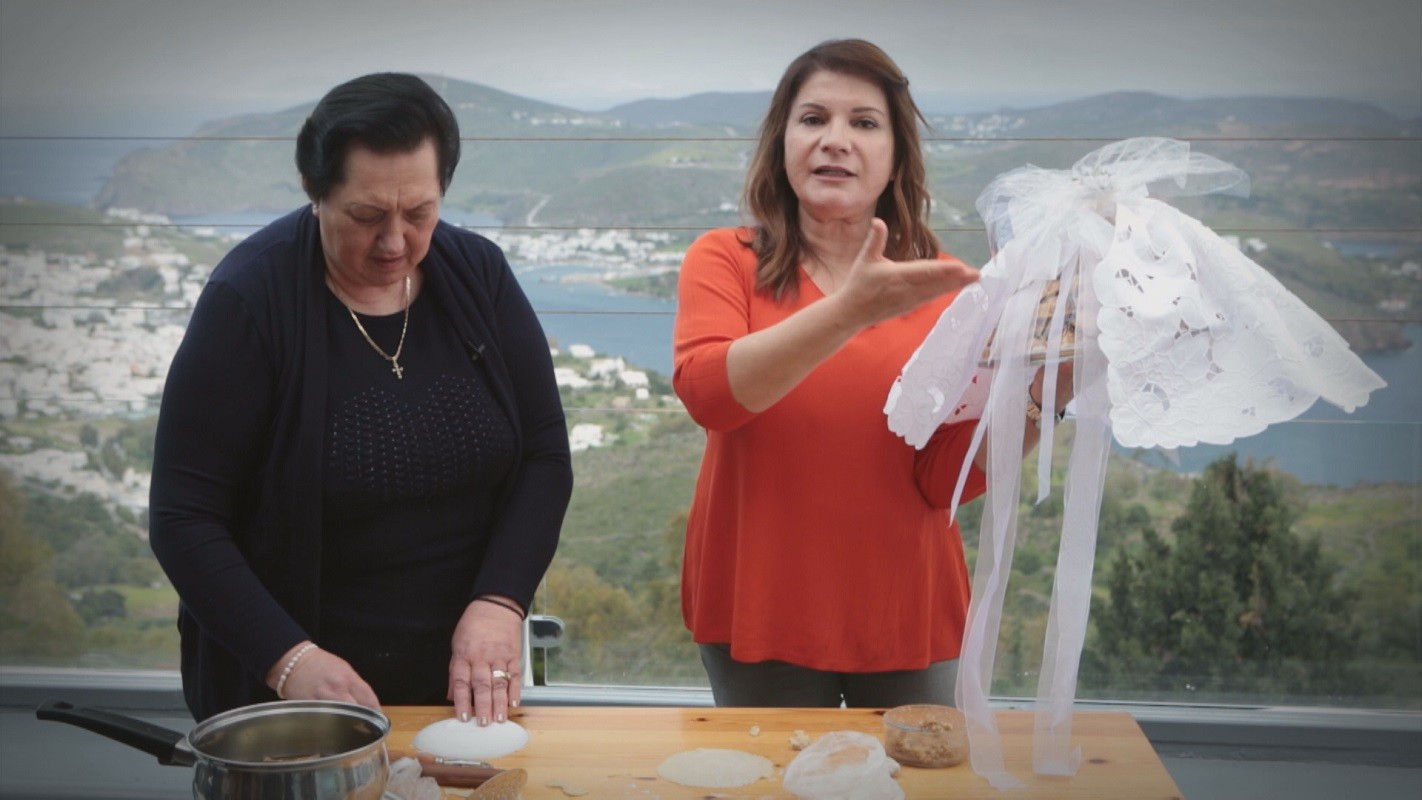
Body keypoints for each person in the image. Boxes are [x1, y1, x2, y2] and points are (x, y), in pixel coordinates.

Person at [149, 73, 573, 724]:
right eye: (367, 216)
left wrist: (501, 600)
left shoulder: (478, 274)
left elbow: (544, 455)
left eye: (420, 213)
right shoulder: (248, 302)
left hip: (462, 695)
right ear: (314, 191)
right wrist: (288, 659)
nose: (396, 242)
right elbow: (183, 517)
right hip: (295, 702)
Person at [672, 39, 1070, 707]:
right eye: (813, 118)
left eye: (864, 122)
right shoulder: (724, 259)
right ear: (781, 143)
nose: (836, 139)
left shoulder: (941, 288)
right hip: (760, 609)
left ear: (895, 157)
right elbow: (712, 395)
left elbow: (942, 477)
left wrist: (1044, 395)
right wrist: (850, 311)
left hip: (908, 614)